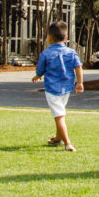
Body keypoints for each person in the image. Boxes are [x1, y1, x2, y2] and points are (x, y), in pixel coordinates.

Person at [32, 21, 84, 152]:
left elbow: (40, 70)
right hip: (66, 88)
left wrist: (37, 77)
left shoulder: (46, 53)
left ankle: (67, 143)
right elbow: (78, 67)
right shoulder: (71, 52)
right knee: (59, 112)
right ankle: (58, 138)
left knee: (59, 115)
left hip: (52, 89)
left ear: (49, 38)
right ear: (66, 38)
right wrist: (80, 82)